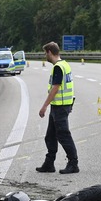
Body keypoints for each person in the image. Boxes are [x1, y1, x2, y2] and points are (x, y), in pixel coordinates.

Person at [36, 41, 79, 174]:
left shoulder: (58, 67)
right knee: (50, 136)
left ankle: (73, 163)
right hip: (59, 106)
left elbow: (55, 88)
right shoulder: (64, 64)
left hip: (60, 106)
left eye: (45, 53)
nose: (45, 56)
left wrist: (44, 106)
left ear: (49, 52)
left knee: (63, 135)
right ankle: (49, 163)